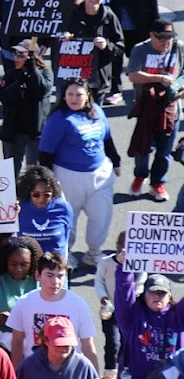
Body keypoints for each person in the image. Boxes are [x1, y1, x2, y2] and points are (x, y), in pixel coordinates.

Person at [39, 80, 119, 271]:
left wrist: (116, 161)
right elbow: (45, 153)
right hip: (68, 175)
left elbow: (107, 138)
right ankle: (66, 254)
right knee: (68, 216)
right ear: (64, 96)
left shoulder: (97, 112)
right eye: (70, 94)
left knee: (101, 215)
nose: (73, 99)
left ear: (87, 96)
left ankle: (93, 252)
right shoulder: (58, 119)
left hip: (100, 173)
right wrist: (46, 180)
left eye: (78, 95)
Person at [8, 251, 99, 370]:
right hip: (35, 371)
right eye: (50, 275)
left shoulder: (79, 305)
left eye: (60, 276)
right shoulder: (23, 303)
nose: (55, 281)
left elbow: (88, 346)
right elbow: (17, 343)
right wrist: (16, 377)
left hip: (70, 372)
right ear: (38, 276)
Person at [127, 18, 183, 202]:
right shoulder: (140, 49)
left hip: (171, 108)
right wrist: (159, 78)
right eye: (161, 38)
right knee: (143, 147)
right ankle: (140, 176)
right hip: (147, 108)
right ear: (151, 35)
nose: (165, 42)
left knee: (164, 150)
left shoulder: (179, 48)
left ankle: (157, 183)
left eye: (169, 37)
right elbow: (134, 76)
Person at [0, 40, 55, 175]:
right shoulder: (12, 74)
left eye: (20, 55)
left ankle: (29, 195)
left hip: (34, 131)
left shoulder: (45, 73)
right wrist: (20, 81)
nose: (15, 58)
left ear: (32, 56)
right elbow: (3, 97)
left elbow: (42, 90)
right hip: (13, 129)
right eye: (15, 54)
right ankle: (13, 195)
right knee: (10, 171)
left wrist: (33, 71)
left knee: (34, 171)